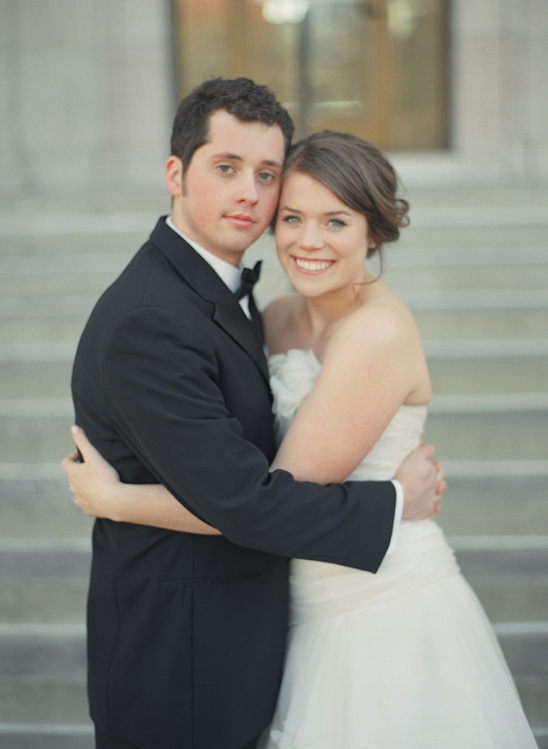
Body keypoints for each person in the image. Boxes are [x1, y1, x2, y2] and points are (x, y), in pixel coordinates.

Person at [65, 129, 537, 748]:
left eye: (335, 221)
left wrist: (119, 501)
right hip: (293, 599)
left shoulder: (376, 334)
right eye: (292, 218)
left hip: (373, 602)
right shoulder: (278, 316)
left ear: (374, 230)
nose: (308, 241)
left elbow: (264, 499)